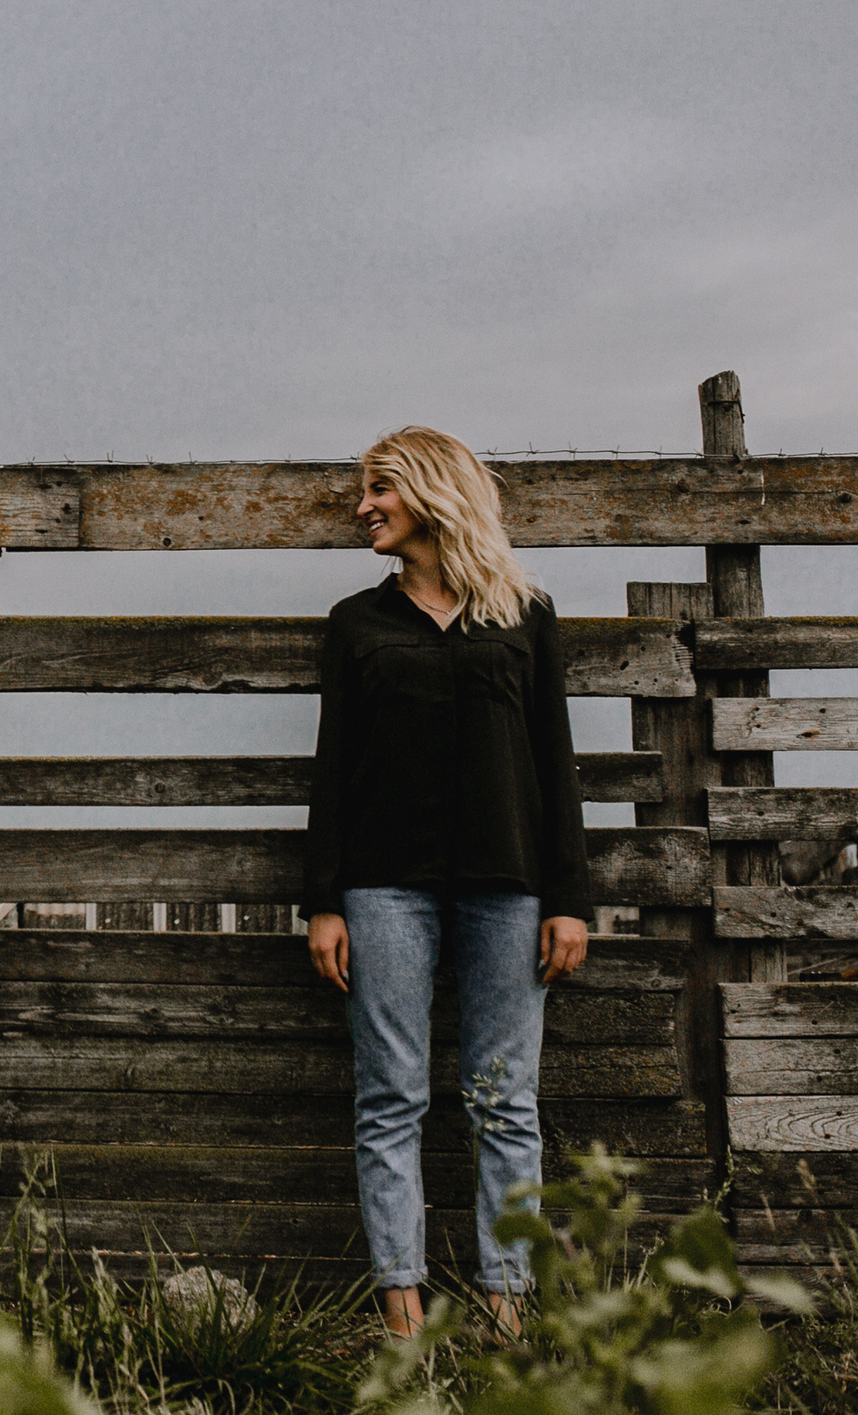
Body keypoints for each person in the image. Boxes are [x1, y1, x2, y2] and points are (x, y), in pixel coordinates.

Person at [302, 426, 592, 1338]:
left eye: (378, 489)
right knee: (391, 1096)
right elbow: (333, 767)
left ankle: (507, 1306)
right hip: (384, 888)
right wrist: (324, 900)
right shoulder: (357, 622)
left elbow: (554, 761)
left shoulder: (525, 614)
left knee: (505, 1097)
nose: (363, 508)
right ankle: (402, 1310)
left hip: (508, 886)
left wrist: (570, 900)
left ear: (430, 492)